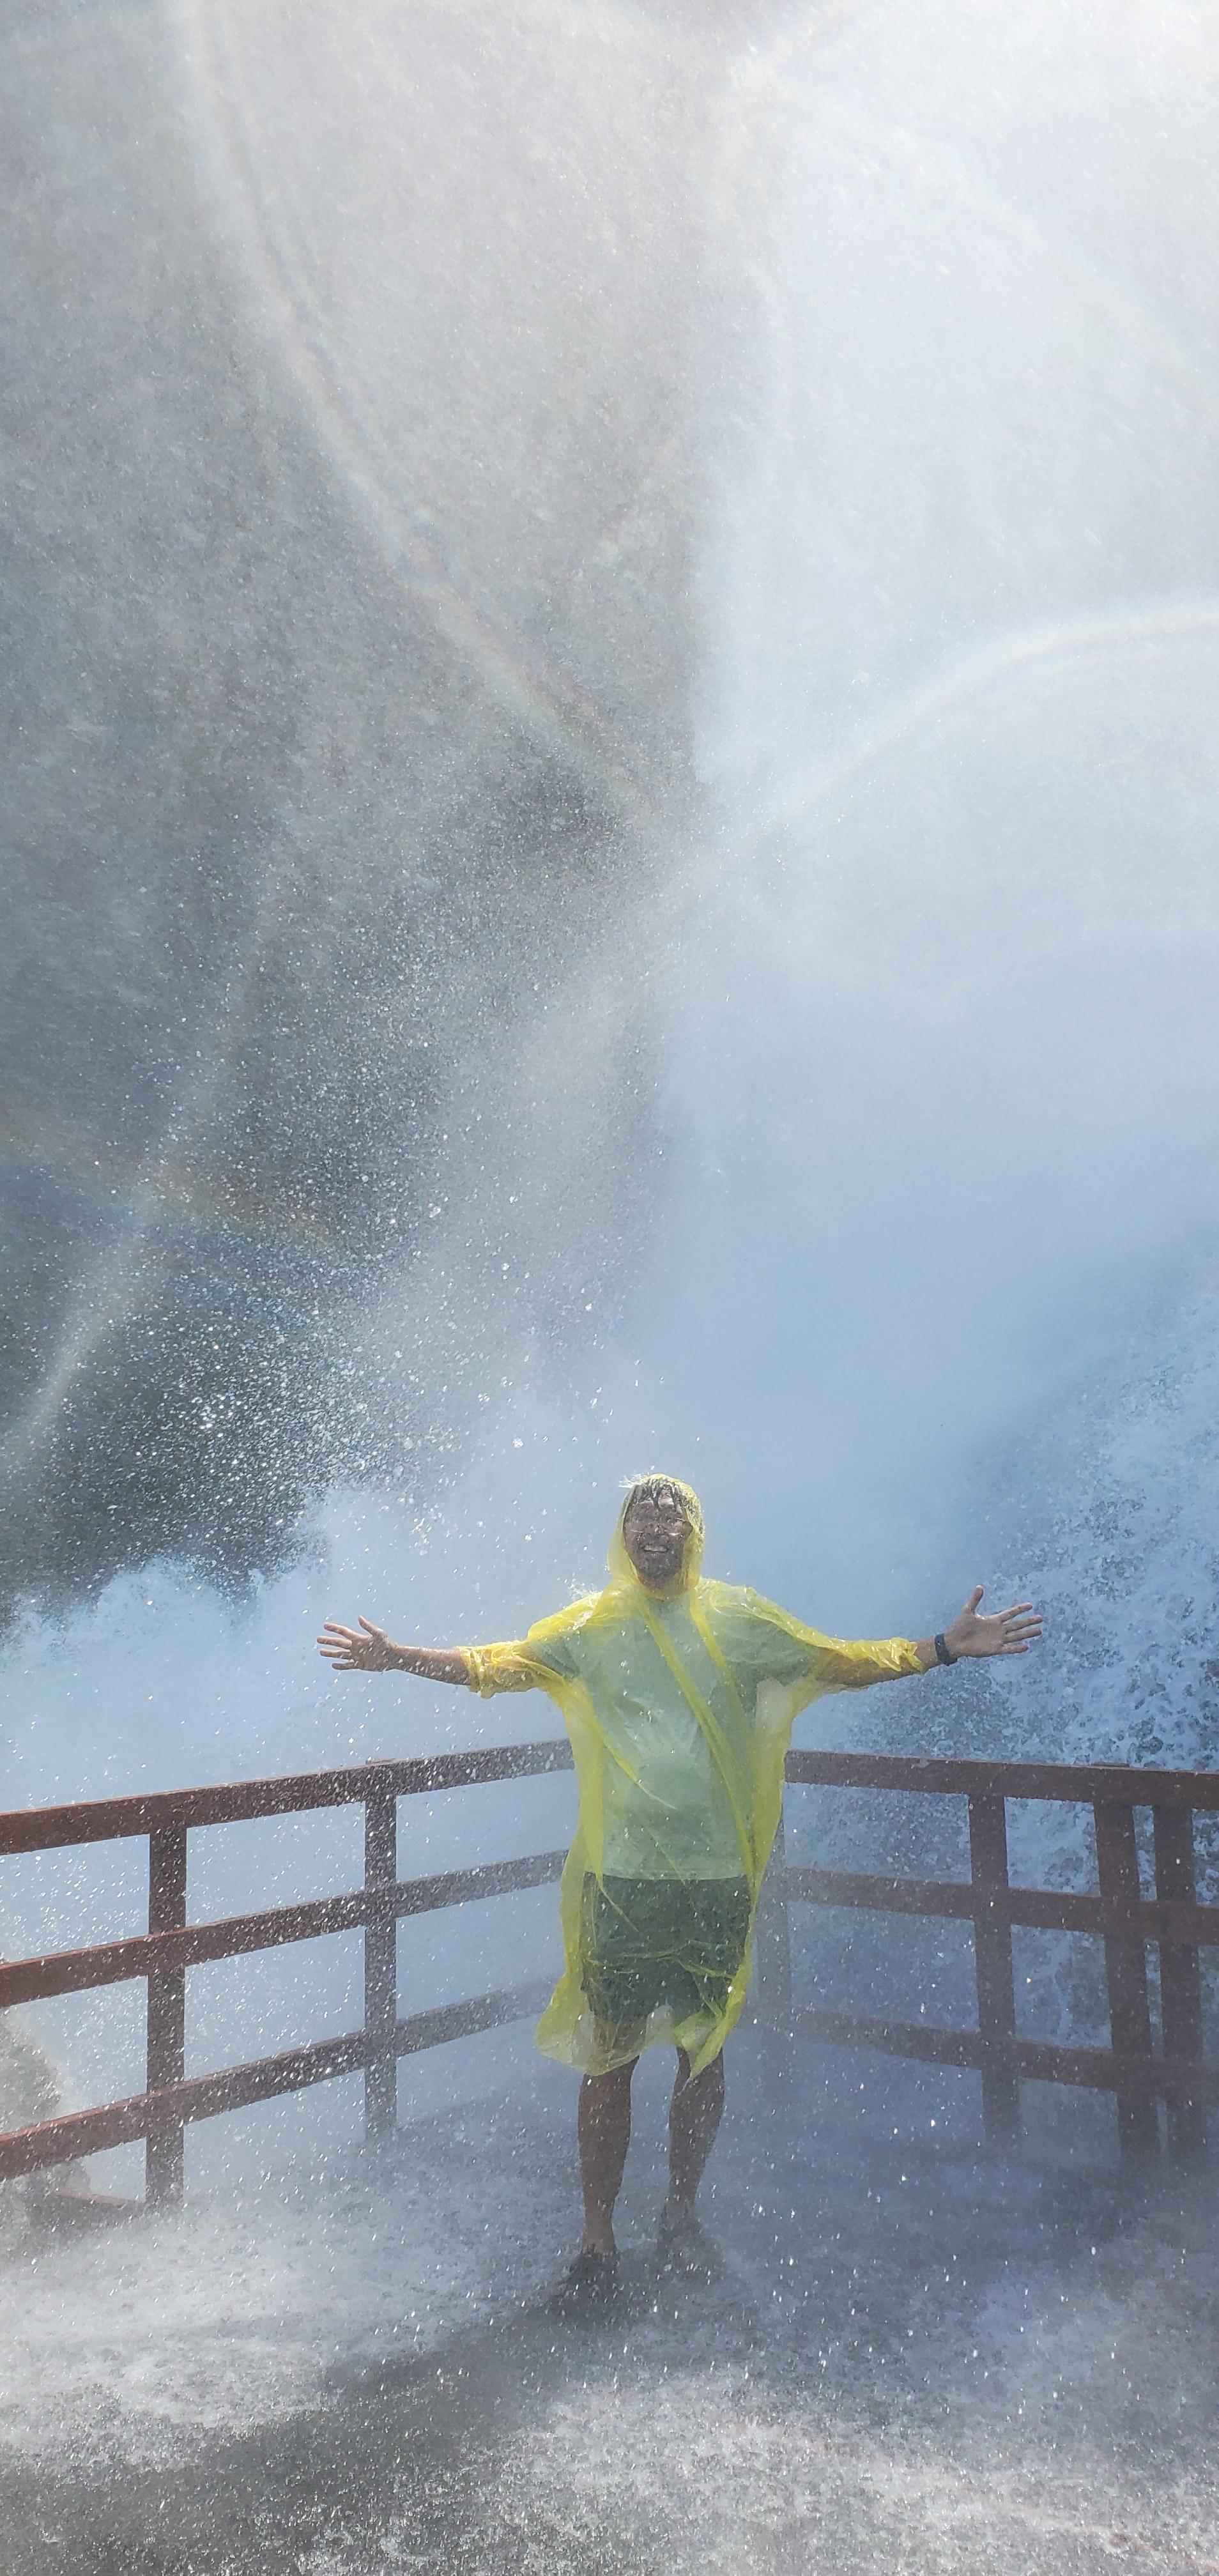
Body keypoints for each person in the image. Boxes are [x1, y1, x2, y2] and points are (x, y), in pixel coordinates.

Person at [318, 1475, 1041, 2309]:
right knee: (610, 2054)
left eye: (670, 1518)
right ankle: (597, 2239)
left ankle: (680, 2214)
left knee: (703, 2053)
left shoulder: (739, 1620)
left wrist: (941, 1648)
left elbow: (837, 1662)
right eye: (642, 1517)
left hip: (716, 1877)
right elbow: (497, 1665)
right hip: (624, 1878)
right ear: (622, 1533)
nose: (655, 1530)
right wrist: (400, 1657)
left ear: (693, 1533)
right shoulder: (590, 1626)